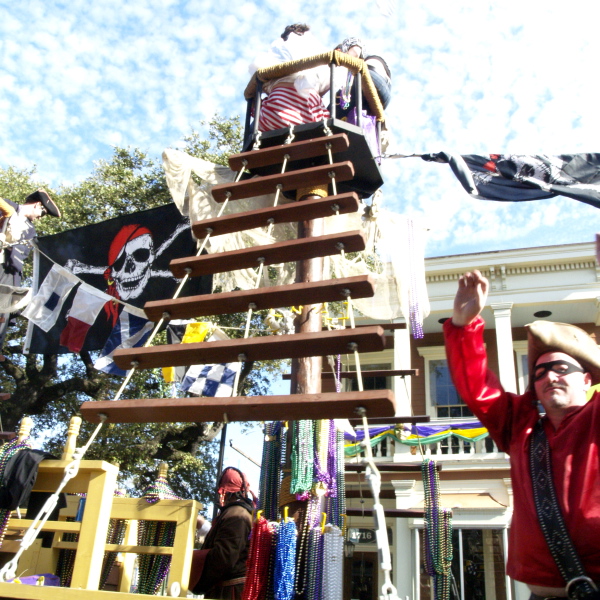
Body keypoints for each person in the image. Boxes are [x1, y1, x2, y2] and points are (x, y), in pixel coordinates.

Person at [444, 270, 600, 600]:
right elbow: (477, 388)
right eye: (540, 372)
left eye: (561, 369)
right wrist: (463, 326)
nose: (549, 377)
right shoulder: (520, 429)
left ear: (586, 379)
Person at [0, 189, 61, 347]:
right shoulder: (5, 206)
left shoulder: (31, 232)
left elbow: (19, 258)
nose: (40, 218)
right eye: (43, 213)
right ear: (38, 205)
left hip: (9, 275)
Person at [249, 23, 331, 133]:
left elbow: (261, 81)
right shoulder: (318, 55)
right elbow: (326, 86)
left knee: (253, 125)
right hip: (311, 119)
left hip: (274, 117)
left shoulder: (277, 51)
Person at [189, 467, 256, 599]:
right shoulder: (234, 513)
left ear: (223, 490)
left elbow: (224, 556)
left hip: (230, 592)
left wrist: (192, 561)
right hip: (225, 589)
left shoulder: (237, 514)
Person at [334, 37, 392, 117]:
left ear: (338, 51)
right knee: (352, 118)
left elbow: (355, 53)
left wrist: (346, 89)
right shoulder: (369, 55)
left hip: (370, 78)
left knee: (334, 106)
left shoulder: (346, 45)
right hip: (384, 96)